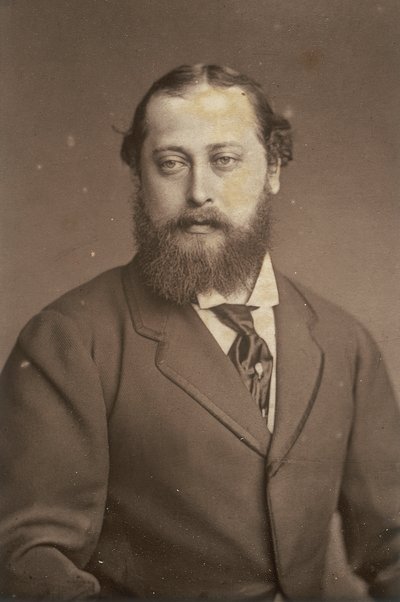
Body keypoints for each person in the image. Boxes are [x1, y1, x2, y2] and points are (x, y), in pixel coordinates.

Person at [1, 64, 399, 600]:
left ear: (273, 169)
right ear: (139, 178)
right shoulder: (68, 341)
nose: (198, 193)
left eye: (224, 160)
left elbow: (393, 545)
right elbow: (27, 558)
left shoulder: (344, 342)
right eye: (171, 164)